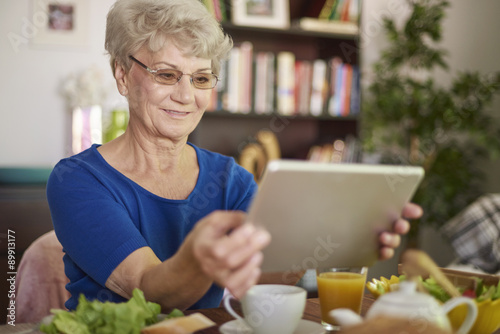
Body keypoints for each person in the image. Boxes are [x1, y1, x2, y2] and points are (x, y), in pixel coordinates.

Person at [46, 0, 422, 312]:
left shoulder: (231, 178)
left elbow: (261, 279)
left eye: (201, 78)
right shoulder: (77, 180)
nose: (186, 95)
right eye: (166, 74)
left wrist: (325, 238)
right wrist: (200, 253)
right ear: (123, 75)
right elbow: (150, 292)